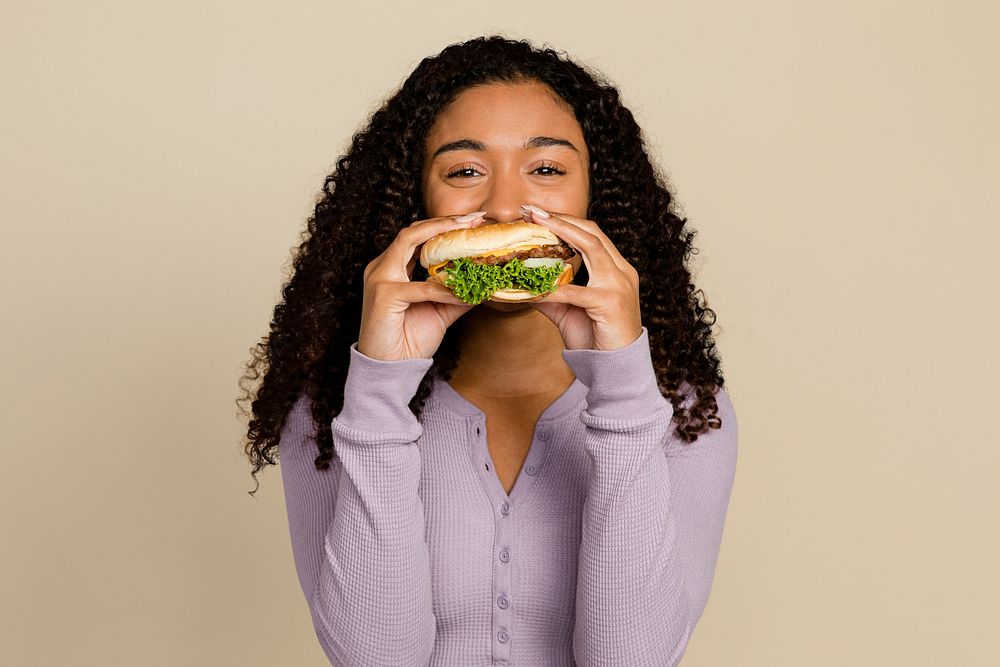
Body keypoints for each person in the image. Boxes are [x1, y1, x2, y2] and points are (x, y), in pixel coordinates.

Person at [238, 35, 738, 666]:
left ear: (598, 196)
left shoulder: (680, 407)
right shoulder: (332, 406)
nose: (504, 206)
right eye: (465, 171)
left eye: (548, 169)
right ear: (416, 199)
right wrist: (381, 389)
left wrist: (620, 385)